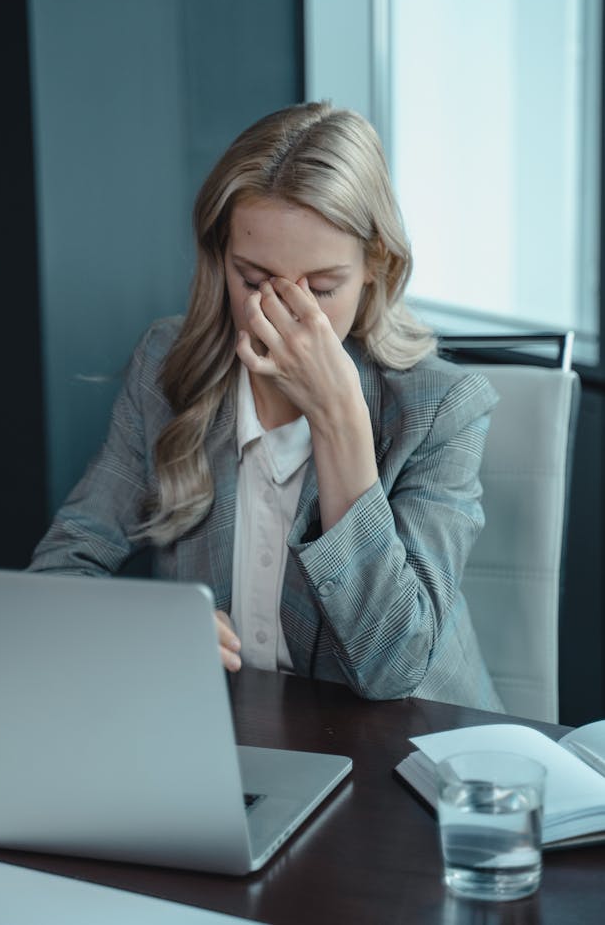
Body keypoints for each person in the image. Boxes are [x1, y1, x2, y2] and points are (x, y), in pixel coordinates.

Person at [29, 101, 503, 711]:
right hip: (239, 739)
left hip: (412, 758)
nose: (280, 314)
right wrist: (149, 633)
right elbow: (60, 574)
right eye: (253, 281)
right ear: (219, 259)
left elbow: (394, 668)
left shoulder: (441, 409)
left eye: (322, 289)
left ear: (375, 268)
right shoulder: (165, 366)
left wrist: (338, 424)